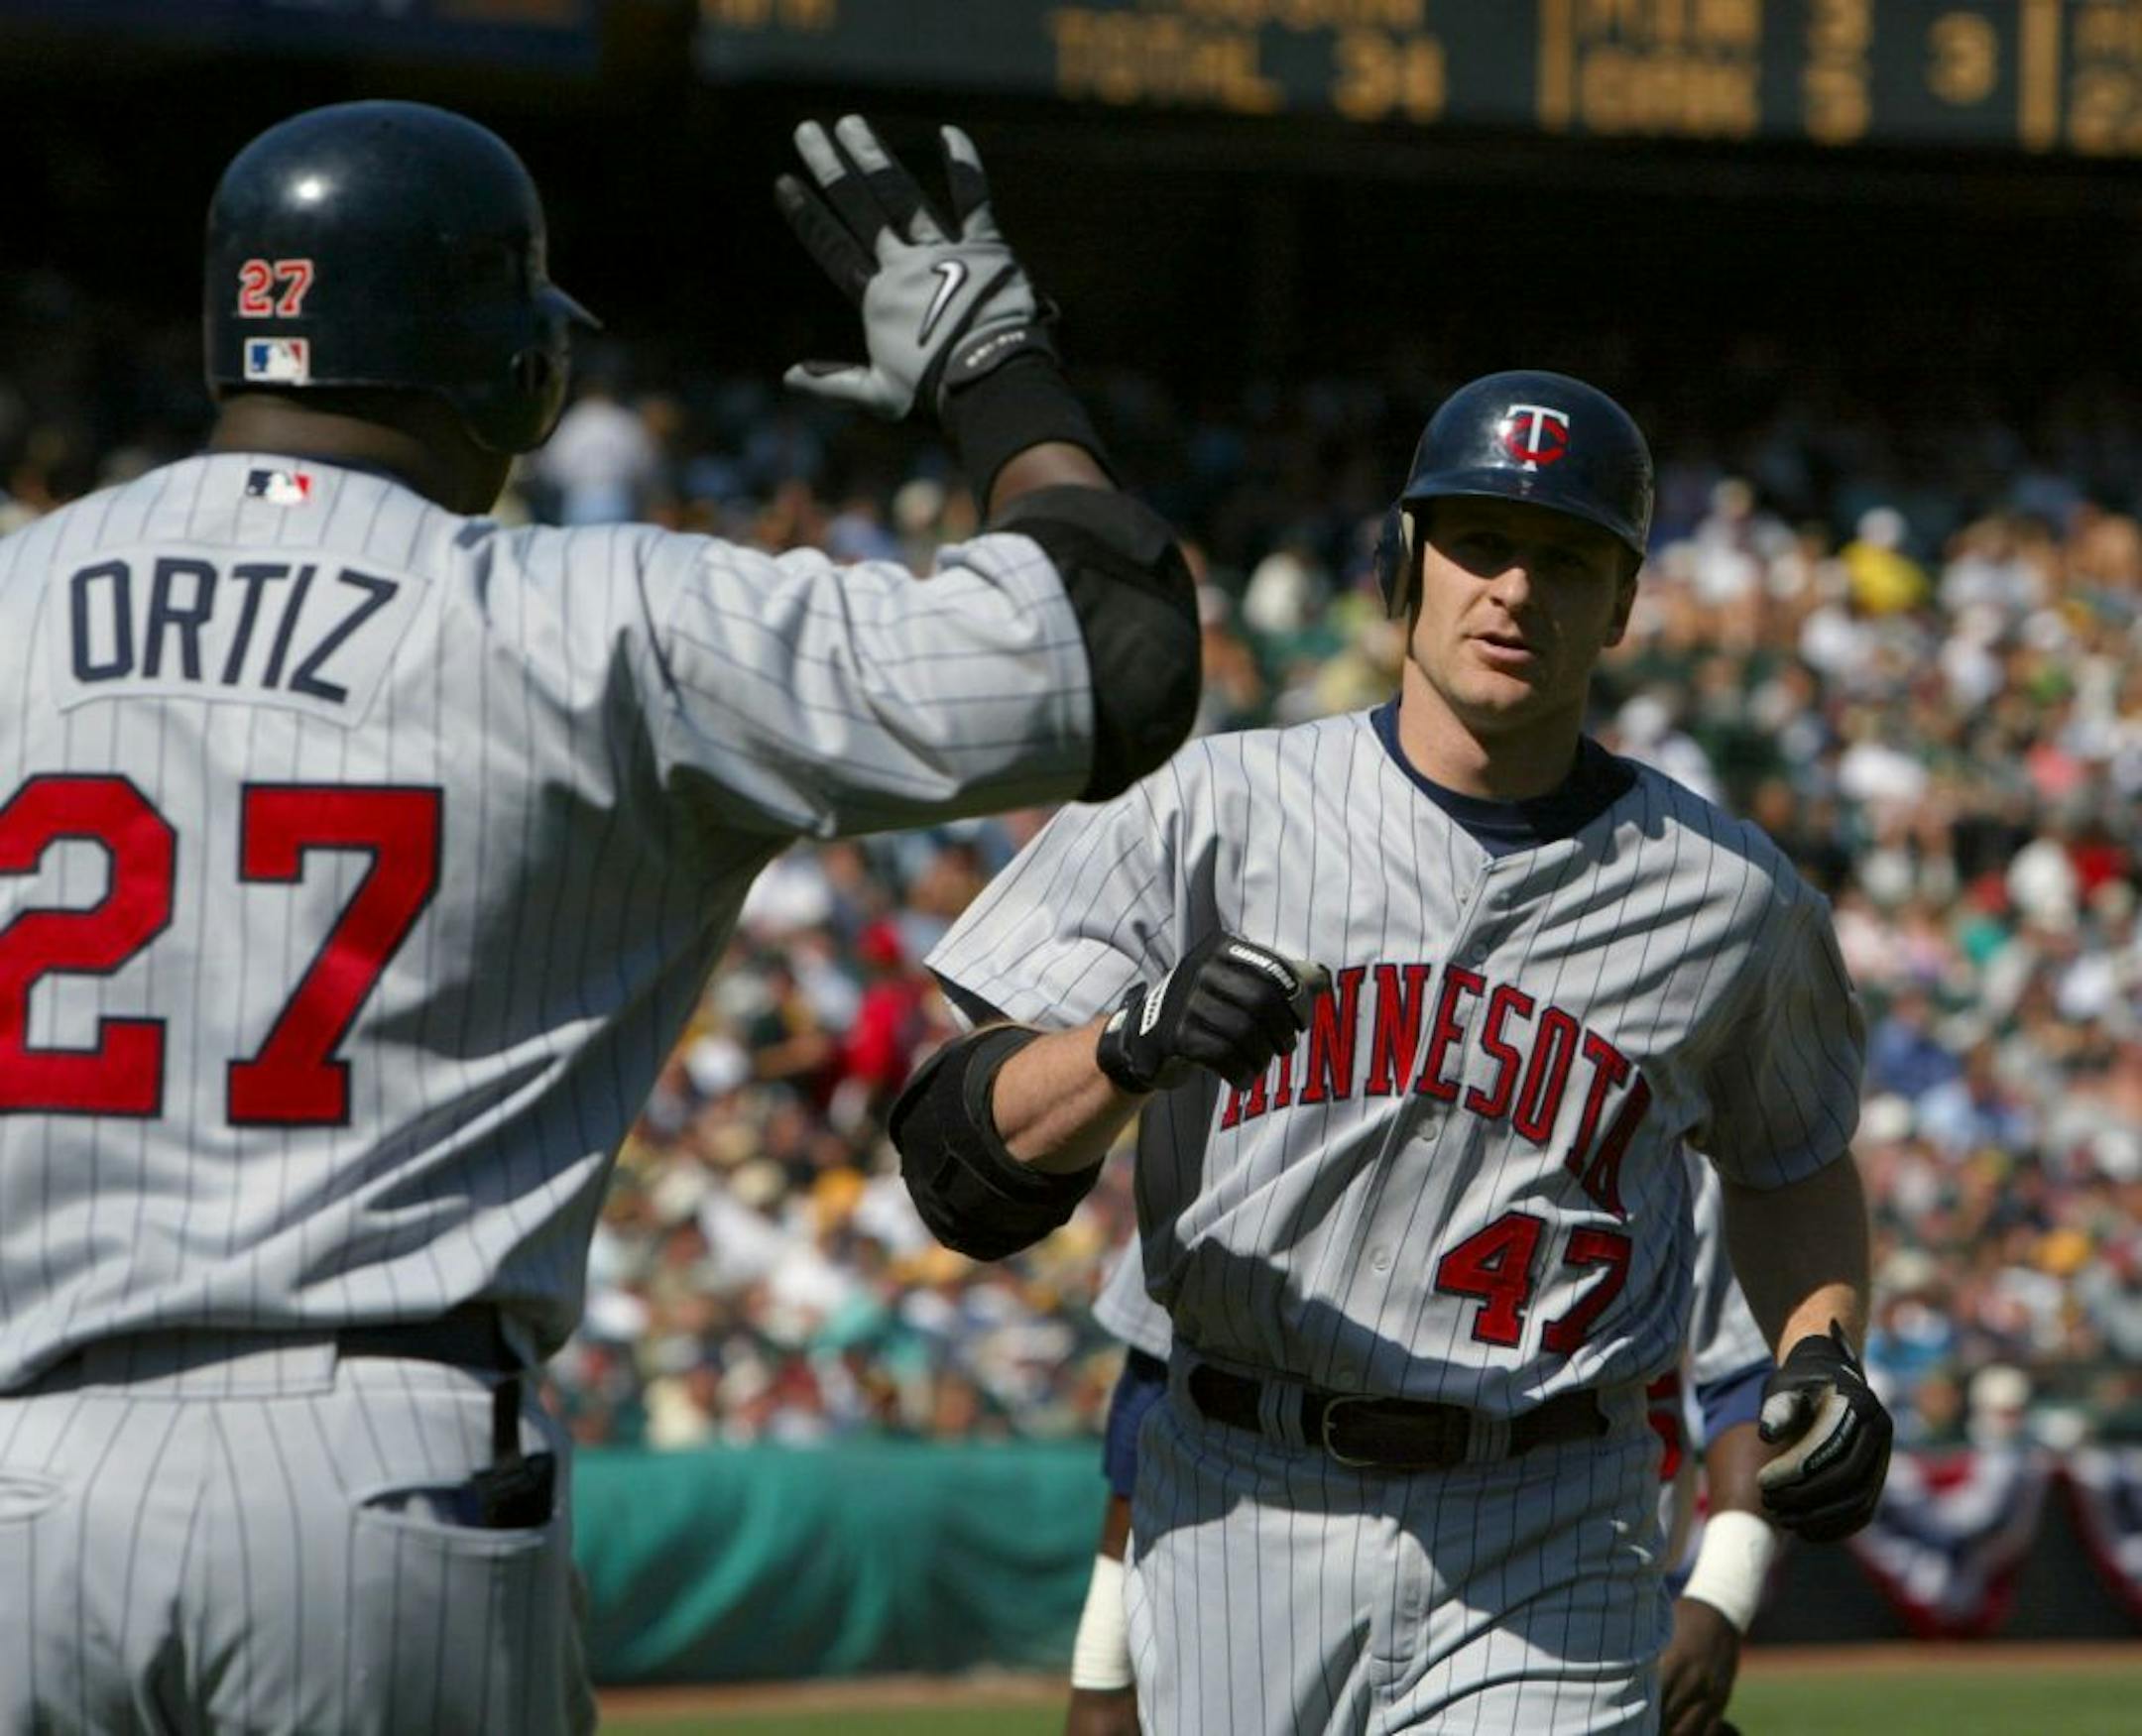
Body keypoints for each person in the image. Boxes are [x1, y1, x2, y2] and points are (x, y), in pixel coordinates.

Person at [0, 101, 1198, 1733]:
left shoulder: (15, 594)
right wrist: (995, 373)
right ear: (512, 365)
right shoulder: (598, 616)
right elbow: (1119, 651)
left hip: (20, 1481)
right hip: (381, 1466)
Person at [896, 370, 1892, 1732]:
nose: (1515, 589)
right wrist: (1127, 1045)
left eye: (1566, 555)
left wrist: (1824, 1347)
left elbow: (1794, 1160)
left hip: (1551, 1511)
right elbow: (958, 1147)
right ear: (1402, 567)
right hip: (1245, 1491)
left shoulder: (1732, 896)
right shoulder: (1218, 807)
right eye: (1479, 542)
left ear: (1624, 603)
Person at [1064, 1146, 1781, 1736]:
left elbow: (1745, 1376)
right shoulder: (1258, 1113)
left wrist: (1721, 1594)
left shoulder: (1662, 1121)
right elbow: (1160, 1380)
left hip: (1568, 1574)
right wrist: (1102, 1666)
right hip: (1268, 1552)